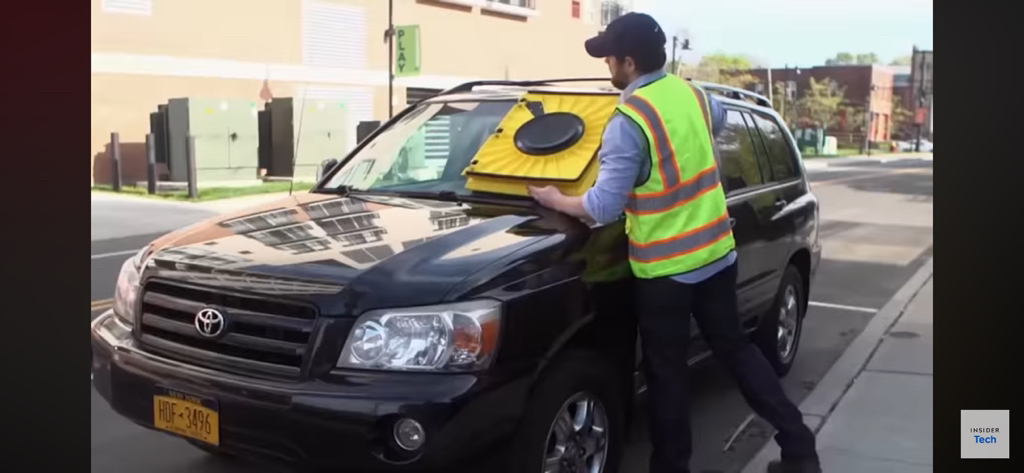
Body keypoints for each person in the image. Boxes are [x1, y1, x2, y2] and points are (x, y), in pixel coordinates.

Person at [527, 12, 822, 473]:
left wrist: (555, 198)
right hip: (716, 257)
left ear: (628, 62)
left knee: (667, 375)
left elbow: (603, 207)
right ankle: (800, 447)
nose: (606, 64)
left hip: (666, 274)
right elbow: (716, 123)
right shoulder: (693, 95)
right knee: (738, 352)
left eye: (609, 57)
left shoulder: (629, 119)